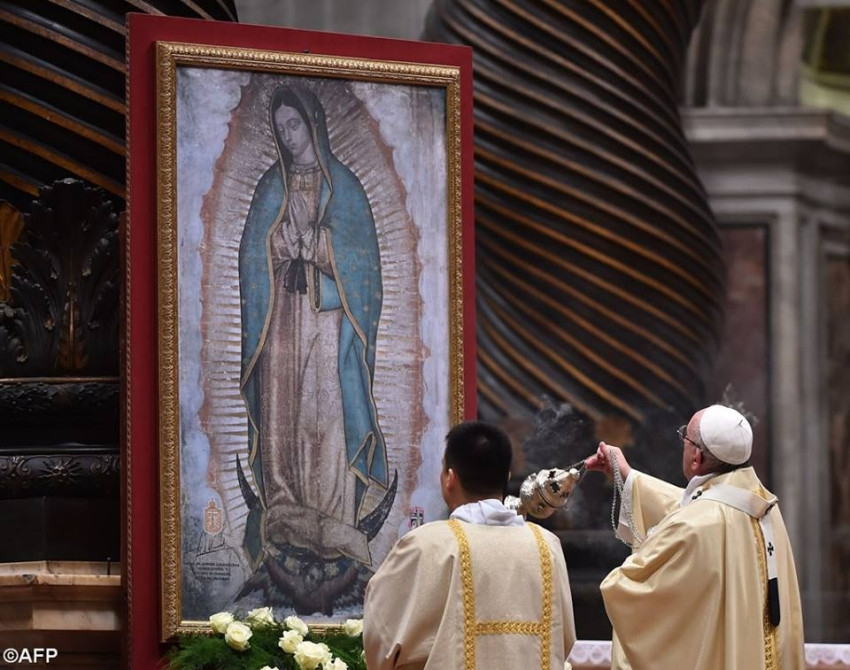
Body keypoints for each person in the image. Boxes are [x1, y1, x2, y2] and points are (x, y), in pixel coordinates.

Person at [238, 85, 387, 570]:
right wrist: (283, 242)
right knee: (282, 411)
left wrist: (316, 242)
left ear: (313, 124)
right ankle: (284, 511)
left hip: (327, 322)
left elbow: (363, 267)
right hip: (282, 319)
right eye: (281, 128)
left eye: (294, 125)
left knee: (323, 412)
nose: (288, 136)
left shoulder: (343, 187)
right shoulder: (271, 187)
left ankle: (332, 517)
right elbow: (252, 255)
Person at [586, 404, 805, 670]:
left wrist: (651, 543)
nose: (683, 443)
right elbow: (692, 505)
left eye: (685, 438)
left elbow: (626, 590)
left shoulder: (693, 525)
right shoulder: (764, 506)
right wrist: (628, 476)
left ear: (696, 458)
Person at [363, 421, 576, 670]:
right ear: (507, 477)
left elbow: (381, 637)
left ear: (450, 479)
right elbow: (562, 639)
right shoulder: (546, 546)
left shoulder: (424, 546)